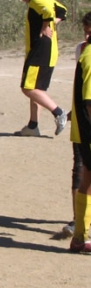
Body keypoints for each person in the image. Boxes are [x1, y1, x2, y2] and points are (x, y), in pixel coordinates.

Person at [16, 0, 68, 136]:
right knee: (37, 89)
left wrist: (45, 26)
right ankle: (33, 126)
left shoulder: (36, 0)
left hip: (40, 51)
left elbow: (48, 12)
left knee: (28, 88)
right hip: (47, 51)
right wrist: (53, 23)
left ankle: (59, 113)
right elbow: (62, 10)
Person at [62, 12, 91, 237]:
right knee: (81, 170)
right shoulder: (83, 51)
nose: (87, 35)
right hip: (85, 127)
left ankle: (81, 230)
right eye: (85, 31)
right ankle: (78, 223)